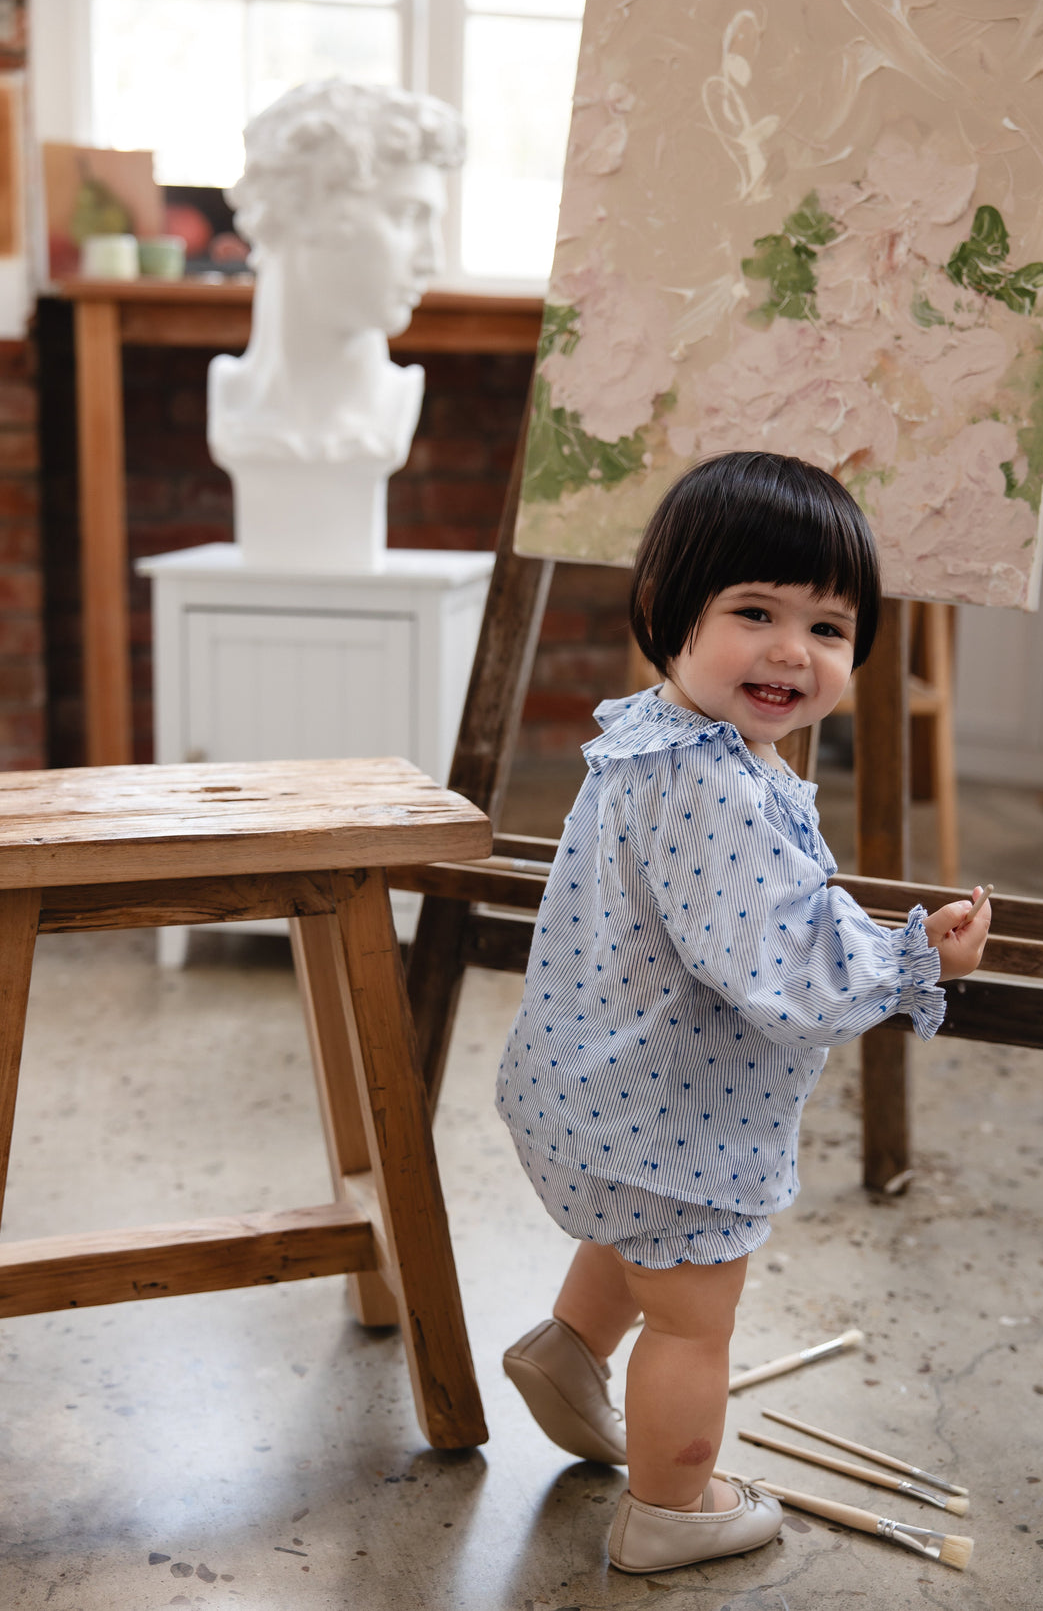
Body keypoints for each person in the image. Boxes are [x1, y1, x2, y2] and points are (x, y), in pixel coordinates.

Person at [495, 451, 991, 1575]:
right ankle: (673, 1509)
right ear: (672, 616)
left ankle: (569, 1352)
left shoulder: (660, 740)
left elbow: (760, 916)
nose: (788, 651)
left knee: (643, 1233)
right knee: (690, 1310)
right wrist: (914, 956)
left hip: (594, 1081)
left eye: (825, 627)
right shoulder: (715, 785)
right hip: (670, 1108)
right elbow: (779, 962)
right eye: (752, 612)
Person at [208, 81, 464, 567]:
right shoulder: (233, 402)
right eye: (408, 216)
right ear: (304, 207)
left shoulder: (392, 405)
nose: (433, 258)